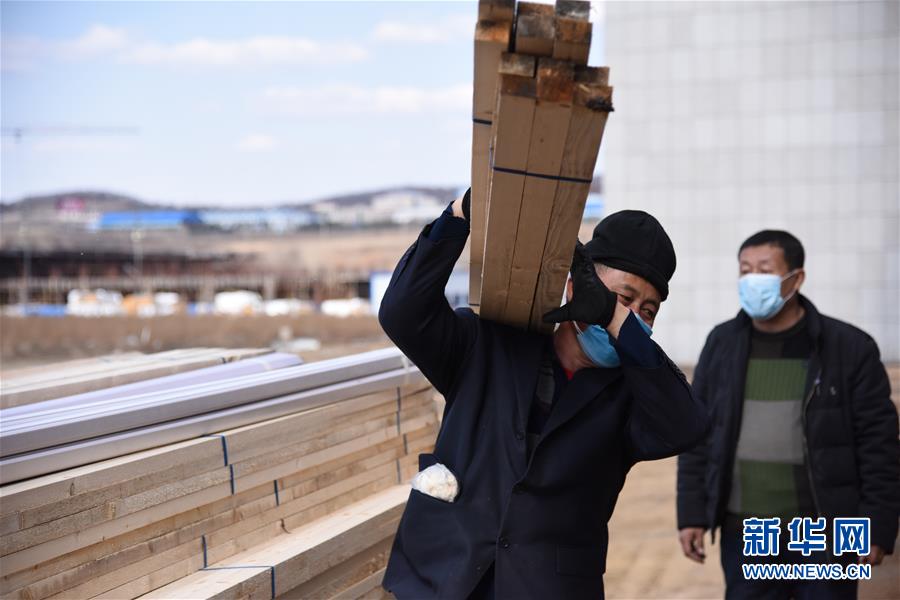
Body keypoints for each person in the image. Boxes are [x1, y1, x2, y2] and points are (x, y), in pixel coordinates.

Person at [378, 189, 708, 599]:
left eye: (647, 311)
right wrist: (461, 214)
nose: (633, 317)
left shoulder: (631, 402)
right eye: (623, 298)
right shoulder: (489, 347)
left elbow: (689, 427)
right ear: (576, 287)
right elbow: (403, 312)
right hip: (442, 580)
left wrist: (613, 314)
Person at [676, 230, 899, 599]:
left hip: (826, 531)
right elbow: (697, 434)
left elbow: (879, 444)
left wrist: (876, 526)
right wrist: (692, 513)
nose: (751, 280)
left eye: (763, 270)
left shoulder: (849, 348)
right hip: (747, 529)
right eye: (745, 270)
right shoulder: (722, 343)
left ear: (796, 278)